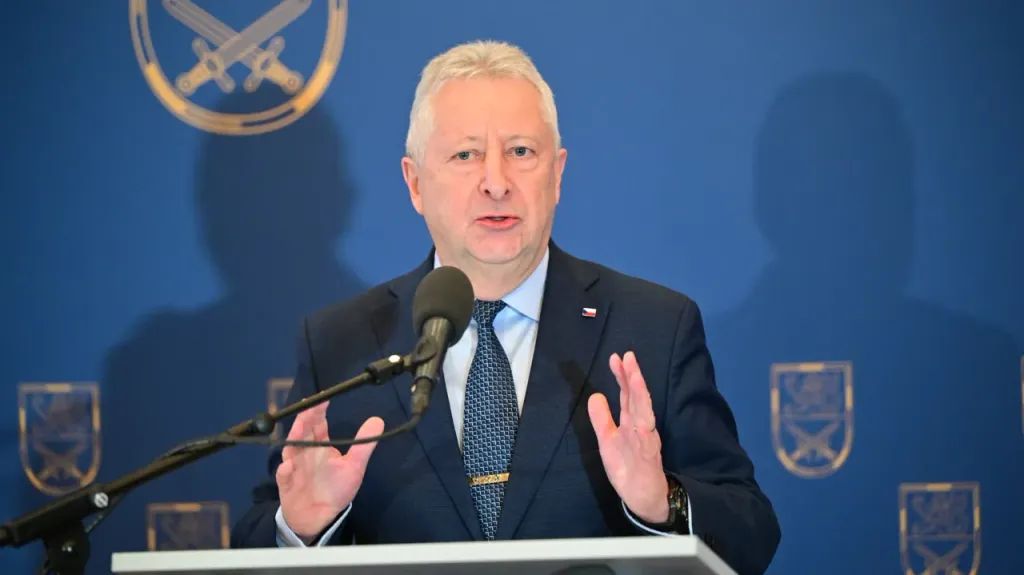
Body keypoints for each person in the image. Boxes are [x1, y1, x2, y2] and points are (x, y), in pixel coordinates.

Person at [232, 40, 780, 575]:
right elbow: (257, 537)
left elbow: (750, 533)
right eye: (465, 155)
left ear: (557, 174)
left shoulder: (654, 327)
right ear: (415, 183)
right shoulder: (342, 342)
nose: (496, 183)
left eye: (521, 152)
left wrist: (663, 503)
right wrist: (303, 527)